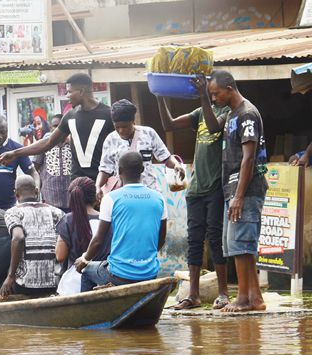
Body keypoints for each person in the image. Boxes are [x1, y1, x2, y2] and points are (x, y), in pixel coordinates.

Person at [157, 78, 230, 310]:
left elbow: (213, 128)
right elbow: (168, 125)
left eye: (214, 94)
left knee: (216, 239)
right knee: (194, 241)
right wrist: (160, 96)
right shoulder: (200, 111)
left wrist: (203, 97)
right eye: (211, 94)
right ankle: (194, 296)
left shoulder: (227, 111)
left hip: (216, 186)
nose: (214, 97)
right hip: (196, 188)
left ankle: (224, 293)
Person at [208, 70, 268, 312]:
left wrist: (240, 196)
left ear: (229, 88)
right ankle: (254, 298)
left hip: (246, 188)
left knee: (242, 244)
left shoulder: (247, 114)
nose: (214, 99)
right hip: (232, 188)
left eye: (215, 94)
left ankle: (244, 298)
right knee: (235, 244)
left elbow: (249, 157)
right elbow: (212, 127)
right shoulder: (231, 114)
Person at [0, 73, 114, 181]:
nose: (67, 96)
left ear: (82, 91)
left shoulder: (109, 114)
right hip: (78, 185)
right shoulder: (70, 116)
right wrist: (15, 153)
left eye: (69, 92)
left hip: (105, 185)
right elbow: (48, 142)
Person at [75, 152, 167, 291]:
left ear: (119, 171)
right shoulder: (159, 198)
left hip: (118, 274)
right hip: (149, 273)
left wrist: (84, 260)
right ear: (142, 170)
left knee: (87, 271)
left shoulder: (111, 198)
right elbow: (160, 240)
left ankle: (89, 311)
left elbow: (98, 240)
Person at [97, 99, 185, 197]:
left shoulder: (149, 133)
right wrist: (97, 186)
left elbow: (166, 157)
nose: (121, 131)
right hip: (123, 196)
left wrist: (176, 165)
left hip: (149, 193)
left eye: (125, 126)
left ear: (133, 122)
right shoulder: (110, 139)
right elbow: (105, 169)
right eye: (117, 127)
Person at [1, 175, 63, 298]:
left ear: (16, 194)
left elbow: (18, 238)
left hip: (25, 283)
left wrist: (10, 276)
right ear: (36, 191)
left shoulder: (13, 212)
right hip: (54, 280)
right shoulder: (57, 212)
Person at [33, 114, 72, 211]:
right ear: (51, 129)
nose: (57, 129)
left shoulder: (74, 144)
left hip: (70, 200)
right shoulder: (44, 145)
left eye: (60, 126)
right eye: (54, 126)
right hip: (49, 200)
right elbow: (34, 167)